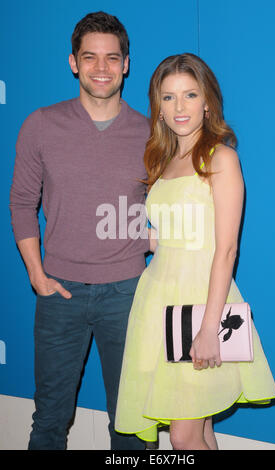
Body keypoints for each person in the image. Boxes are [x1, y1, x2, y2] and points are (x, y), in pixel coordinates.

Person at [115, 53, 275, 450]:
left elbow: (226, 250)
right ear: (158, 106)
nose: (179, 107)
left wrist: (210, 328)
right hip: (157, 302)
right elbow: (169, 237)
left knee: (184, 438)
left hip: (200, 305)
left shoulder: (221, 158)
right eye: (168, 98)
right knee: (199, 432)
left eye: (189, 95)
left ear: (207, 102)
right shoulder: (162, 160)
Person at [9, 11, 149, 450]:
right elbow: (20, 204)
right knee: (50, 418)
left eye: (112, 58)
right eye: (90, 57)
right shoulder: (40, 125)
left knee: (131, 423)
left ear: (126, 63)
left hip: (128, 293)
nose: (101, 68)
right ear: (73, 62)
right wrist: (37, 275)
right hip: (59, 295)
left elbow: (172, 209)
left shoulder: (150, 133)